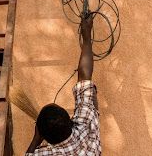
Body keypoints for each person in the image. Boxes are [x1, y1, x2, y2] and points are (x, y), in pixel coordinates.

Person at [26, 14, 100, 155]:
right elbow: (85, 77)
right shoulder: (86, 124)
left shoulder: (45, 154)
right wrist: (86, 36)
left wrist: (36, 139)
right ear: (70, 120)